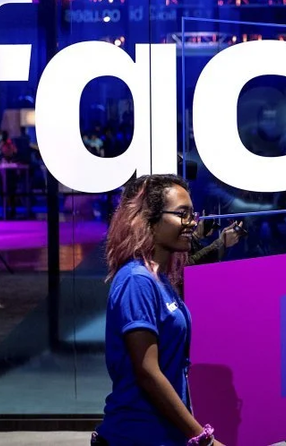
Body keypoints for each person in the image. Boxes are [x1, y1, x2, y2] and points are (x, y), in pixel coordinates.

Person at [93, 174, 225, 446]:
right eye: (182, 214)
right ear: (149, 219)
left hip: (163, 436)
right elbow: (148, 374)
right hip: (135, 437)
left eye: (192, 215)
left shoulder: (159, 279)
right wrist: (204, 439)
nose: (192, 223)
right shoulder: (136, 280)